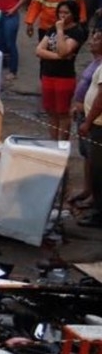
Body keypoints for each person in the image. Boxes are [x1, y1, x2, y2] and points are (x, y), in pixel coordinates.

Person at [36, 0, 87, 141]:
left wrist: (60, 31)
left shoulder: (76, 32)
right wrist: (58, 57)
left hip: (64, 77)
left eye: (66, 13)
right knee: (51, 111)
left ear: (73, 14)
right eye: (60, 12)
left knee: (63, 112)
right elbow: (39, 50)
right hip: (48, 73)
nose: (62, 15)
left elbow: (65, 50)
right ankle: (53, 142)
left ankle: (63, 144)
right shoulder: (52, 28)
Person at [71, 28, 102, 210]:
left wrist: (88, 121)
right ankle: (88, 190)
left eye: (97, 39)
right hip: (85, 116)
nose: (91, 42)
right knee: (87, 156)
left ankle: (96, 205)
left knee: (96, 164)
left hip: (95, 122)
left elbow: (100, 98)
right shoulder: (95, 62)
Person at [76, 43, 102, 228]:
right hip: (94, 122)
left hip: (98, 125)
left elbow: (101, 98)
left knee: (98, 170)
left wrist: (88, 121)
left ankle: (99, 214)